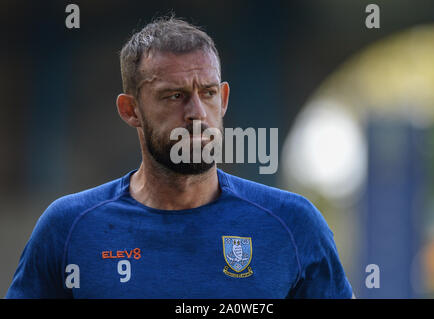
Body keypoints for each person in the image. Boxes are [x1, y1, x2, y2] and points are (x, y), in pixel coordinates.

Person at [6, 16, 353, 299]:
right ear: (131, 110)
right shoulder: (68, 228)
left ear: (225, 99)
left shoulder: (293, 224)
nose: (197, 113)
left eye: (208, 93)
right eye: (174, 96)